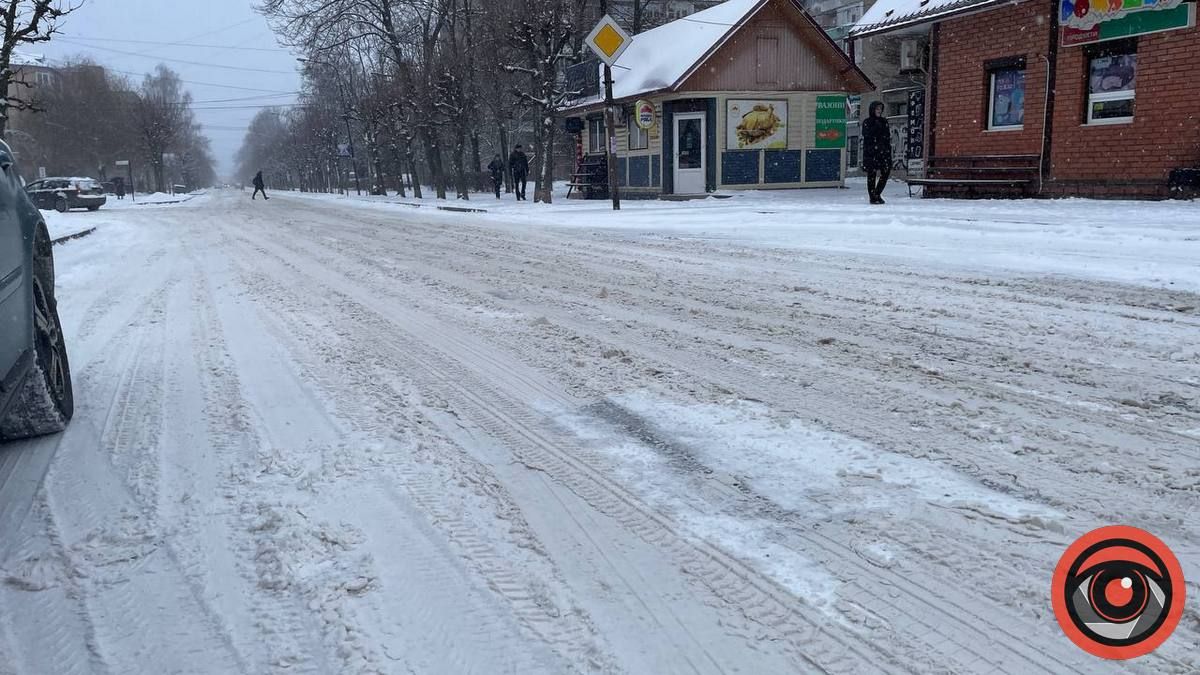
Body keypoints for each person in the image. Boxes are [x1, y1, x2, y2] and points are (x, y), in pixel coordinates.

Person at [862, 101, 892, 205]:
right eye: (877, 109)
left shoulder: (884, 121)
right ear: (872, 110)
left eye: (880, 109)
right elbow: (867, 135)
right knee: (871, 175)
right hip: (872, 153)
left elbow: (887, 136)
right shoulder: (867, 122)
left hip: (883, 152)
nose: (879, 111)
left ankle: (877, 193)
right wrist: (876, 126)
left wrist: (886, 149)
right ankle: (872, 196)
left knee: (886, 172)